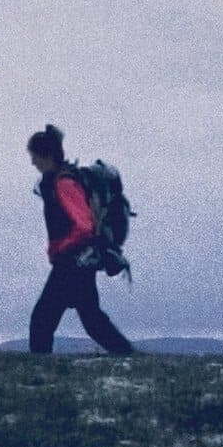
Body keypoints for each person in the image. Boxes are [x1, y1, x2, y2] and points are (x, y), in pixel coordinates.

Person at [26, 125, 136, 355]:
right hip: (80, 261)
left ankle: (38, 370)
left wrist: (58, 248)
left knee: (42, 319)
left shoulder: (63, 184)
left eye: (34, 156)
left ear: (46, 156)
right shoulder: (62, 180)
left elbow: (84, 227)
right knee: (92, 319)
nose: (32, 162)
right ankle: (130, 357)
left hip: (72, 261)